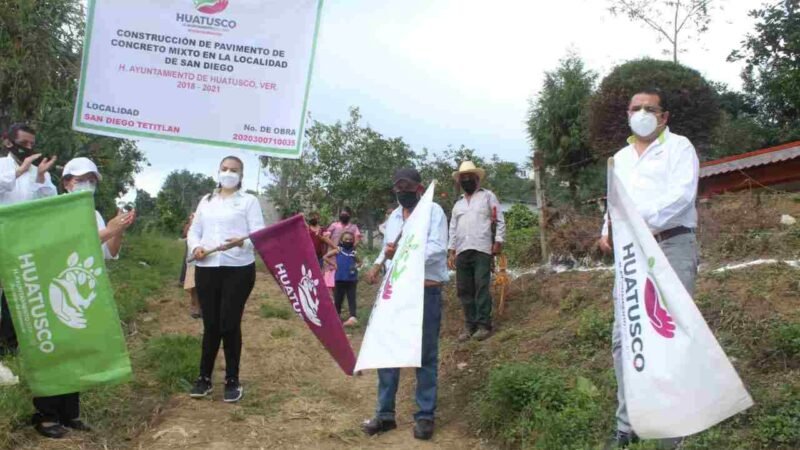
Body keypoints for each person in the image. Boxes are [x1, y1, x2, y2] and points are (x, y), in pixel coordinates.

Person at [598, 88, 699, 450]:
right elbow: (614, 201)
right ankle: (629, 423)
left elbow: (682, 196)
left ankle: (671, 432)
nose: (642, 113)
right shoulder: (619, 158)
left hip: (671, 245)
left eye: (650, 109)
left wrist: (637, 222)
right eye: (635, 108)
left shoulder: (679, 148)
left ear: (664, 116)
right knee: (624, 336)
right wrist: (608, 230)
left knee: (667, 335)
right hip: (631, 253)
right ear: (627, 114)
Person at [29, 157, 135, 439]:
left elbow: (109, 253)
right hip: (56, 288)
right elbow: (67, 246)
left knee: (76, 350)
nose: (86, 184)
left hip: (84, 292)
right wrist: (109, 230)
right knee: (55, 350)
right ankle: (46, 414)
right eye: (80, 179)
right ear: (66, 182)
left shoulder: (96, 214)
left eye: (91, 179)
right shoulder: (53, 209)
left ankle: (69, 413)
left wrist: (117, 231)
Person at [362, 168, 449, 441]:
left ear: (419, 188)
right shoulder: (394, 217)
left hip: (425, 292)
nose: (402, 192)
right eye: (398, 188)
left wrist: (399, 255)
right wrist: (378, 264)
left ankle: (424, 416)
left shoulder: (433, 212)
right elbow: (388, 247)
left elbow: (436, 249)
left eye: (407, 187)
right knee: (389, 352)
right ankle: (385, 414)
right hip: (397, 293)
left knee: (425, 356)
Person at [187, 156, 265, 403]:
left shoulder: (249, 201)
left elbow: (259, 234)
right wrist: (197, 246)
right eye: (225, 169)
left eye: (234, 170)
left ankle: (232, 379)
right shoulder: (206, 201)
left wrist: (243, 241)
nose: (229, 173)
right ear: (218, 171)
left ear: (241, 175)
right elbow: (194, 230)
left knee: (229, 323)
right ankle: (204, 378)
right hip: (207, 267)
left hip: (238, 268)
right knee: (210, 324)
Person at [0, 123, 57, 356]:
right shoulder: (3, 166)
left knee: (18, 293)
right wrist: (19, 171)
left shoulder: (38, 171)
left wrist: (41, 175)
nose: (29, 148)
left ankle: (8, 346)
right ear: (8, 142)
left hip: (24, 241)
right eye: (24, 144)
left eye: (32, 144)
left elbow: (50, 201)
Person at [447, 161, 506, 342]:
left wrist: (498, 241)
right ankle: (469, 325)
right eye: (463, 178)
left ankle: (483, 325)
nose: (466, 181)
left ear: (476, 178)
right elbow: (452, 227)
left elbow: (500, 221)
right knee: (464, 289)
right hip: (462, 250)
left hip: (482, 248)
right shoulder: (458, 204)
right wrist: (451, 250)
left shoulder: (488, 197)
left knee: (481, 286)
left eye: (469, 177)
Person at [324, 231, 360, 327]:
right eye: (346, 239)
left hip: (352, 279)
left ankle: (353, 317)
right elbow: (325, 257)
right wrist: (334, 264)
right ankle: (337, 316)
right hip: (339, 278)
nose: (348, 241)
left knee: (351, 298)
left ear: (353, 241)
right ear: (341, 240)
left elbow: (359, 262)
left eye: (350, 239)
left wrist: (355, 267)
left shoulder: (353, 252)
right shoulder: (338, 250)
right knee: (338, 299)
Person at [181, 213, 201, 319]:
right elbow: (185, 234)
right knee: (193, 285)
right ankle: (195, 306)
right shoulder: (193, 218)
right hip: (193, 257)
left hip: (208, 257)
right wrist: (191, 222)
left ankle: (202, 307)